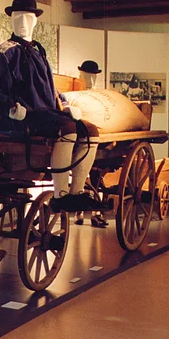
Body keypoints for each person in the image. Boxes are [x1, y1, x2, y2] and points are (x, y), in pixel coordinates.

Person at [0, 0, 106, 213]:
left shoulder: (38, 51)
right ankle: (60, 195)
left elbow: (48, 87)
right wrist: (12, 107)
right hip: (21, 117)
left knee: (90, 131)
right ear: (10, 20)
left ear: (35, 21)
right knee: (66, 129)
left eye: (28, 17)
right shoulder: (5, 52)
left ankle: (76, 191)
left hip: (45, 111)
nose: (22, 21)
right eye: (17, 17)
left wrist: (66, 104)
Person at [74, 60, 108, 227]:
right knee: (82, 174)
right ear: (81, 75)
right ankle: (78, 212)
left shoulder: (98, 96)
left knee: (95, 175)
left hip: (96, 138)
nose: (91, 79)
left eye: (93, 76)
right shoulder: (75, 93)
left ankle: (94, 213)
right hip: (80, 136)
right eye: (87, 75)